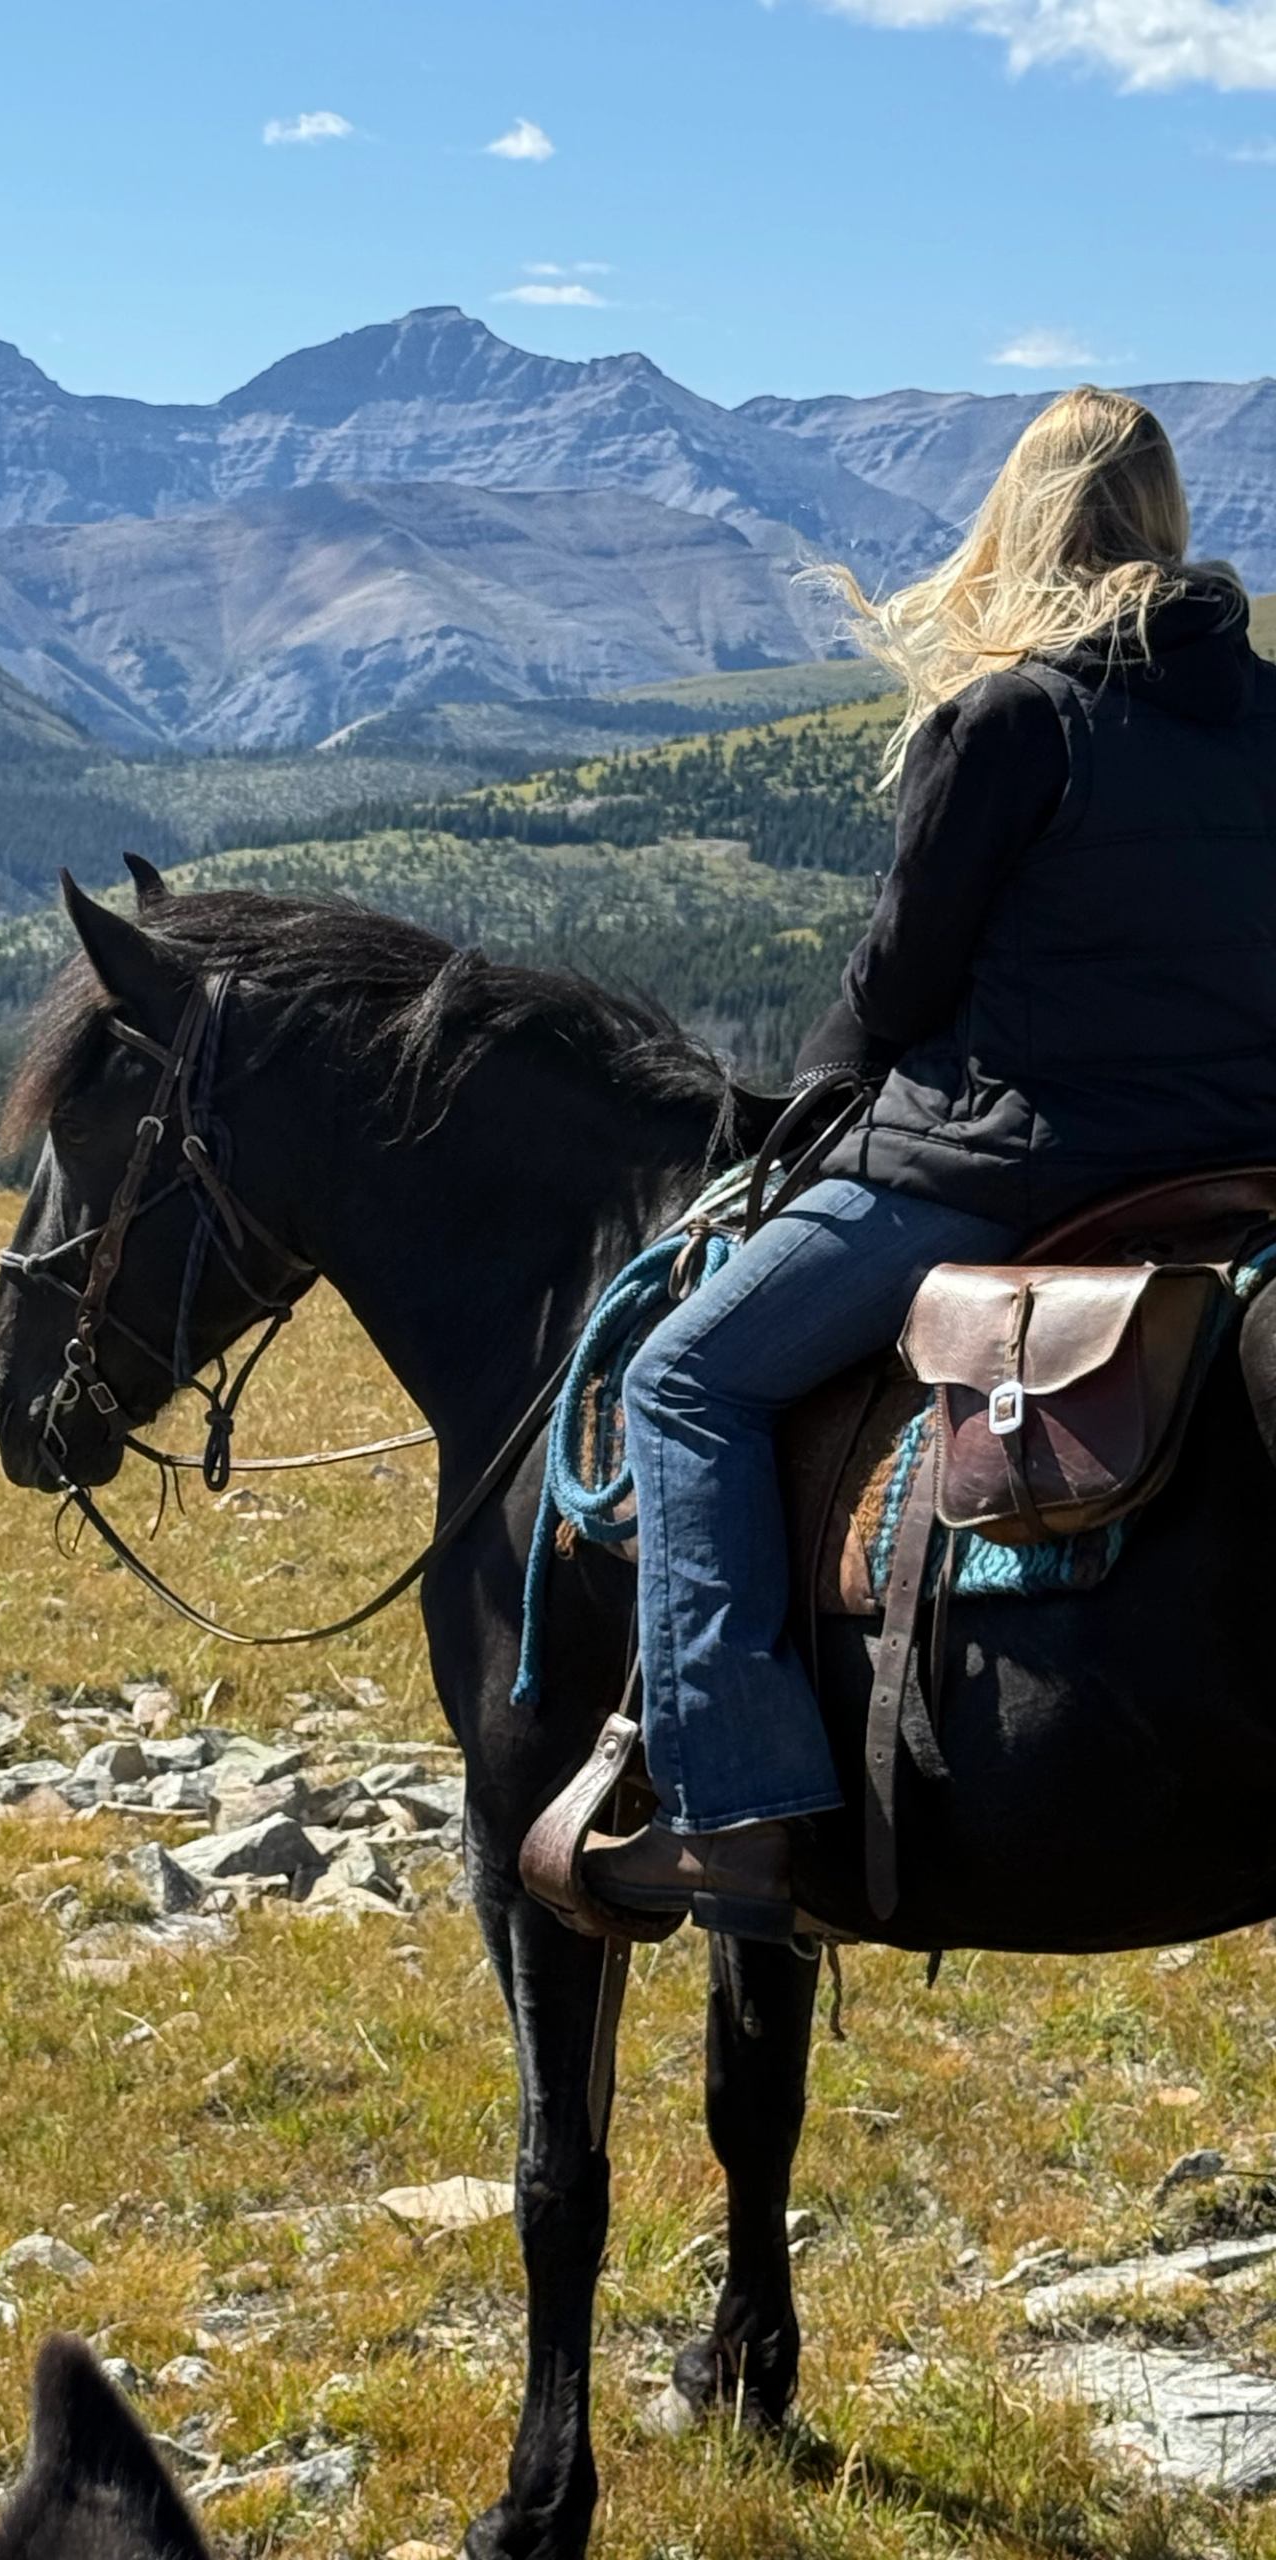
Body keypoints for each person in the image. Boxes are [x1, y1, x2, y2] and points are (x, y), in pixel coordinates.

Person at [585, 386, 1276, 1940]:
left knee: (685, 1377)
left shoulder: (1016, 717)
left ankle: (743, 1812)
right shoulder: (1272, 714)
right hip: (1242, 1172)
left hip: (1012, 1172)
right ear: (1167, 523)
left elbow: (902, 980)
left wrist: (801, 1114)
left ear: (1027, 518)